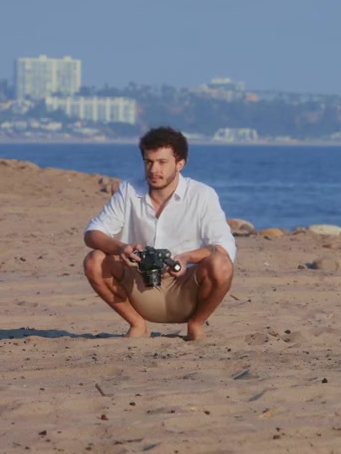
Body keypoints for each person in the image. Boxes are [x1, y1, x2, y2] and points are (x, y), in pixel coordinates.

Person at [82, 127, 237, 341]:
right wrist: (122, 248)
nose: (154, 169)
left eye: (162, 162)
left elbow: (225, 248)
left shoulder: (202, 195)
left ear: (180, 163)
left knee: (221, 264)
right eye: (148, 162)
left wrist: (187, 258)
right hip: (140, 285)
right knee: (95, 260)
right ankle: (137, 324)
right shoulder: (129, 190)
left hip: (185, 288)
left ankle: (196, 325)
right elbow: (92, 234)